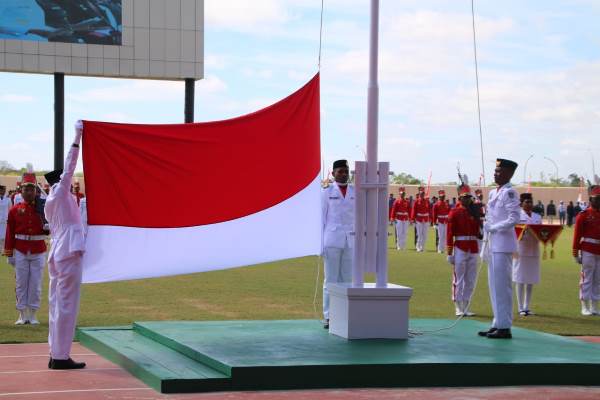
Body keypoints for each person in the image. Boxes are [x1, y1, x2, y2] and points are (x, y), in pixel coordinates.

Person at [479, 158, 520, 339]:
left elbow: (514, 218)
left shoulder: (510, 193)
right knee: (494, 286)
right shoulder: (493, 193)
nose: (495, 174)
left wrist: (494, 228)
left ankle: (505, 326)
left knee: (503, 287)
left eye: (499, 171)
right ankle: (497, 322)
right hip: (492, 245)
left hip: (503, 245)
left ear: (509, 174)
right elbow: (489, 217)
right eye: (495, 171)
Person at [3, 172, 48, 325]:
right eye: (26, 189)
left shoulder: (43, 209)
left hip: (38, 249)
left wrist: (48, 225)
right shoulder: (14, 210)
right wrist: (9, 252)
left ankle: (33, 314)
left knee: (35, 284)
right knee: (21, 283)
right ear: (21, 191)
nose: (29, 192)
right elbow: (9, 232)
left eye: (32, 189)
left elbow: (53, 227)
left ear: (36, 190)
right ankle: (22, 315)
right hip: (20, 249)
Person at [321, 159, 354, 329]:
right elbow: (320, 219)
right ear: (333, 173)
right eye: (340, 171)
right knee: (331, 280)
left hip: (350, 241)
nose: (343, 174)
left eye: (346, 171)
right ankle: (328, 315)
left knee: (347, 279)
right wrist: (319, 244)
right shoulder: (326, 192)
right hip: (332, 240)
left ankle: (344, 313)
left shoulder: (354, 191)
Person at [446, 183, 482, 317]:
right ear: (459, 198)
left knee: (471, 278)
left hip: (472, 246)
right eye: (465, 197)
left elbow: (478, 231)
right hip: (460, 246)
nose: (467, 199)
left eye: (469, 197)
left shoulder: (474, 211)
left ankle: (466, 305)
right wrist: (449, 252)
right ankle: (457, 306)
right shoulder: (454, 212)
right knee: (458, 278)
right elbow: (450, 233)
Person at [512, 193, 542, 316]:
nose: (529, 204)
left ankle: (527, 307)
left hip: (534, 250)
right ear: (521, 203)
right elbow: (513, 232)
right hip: (521, 250)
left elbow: (541, 232)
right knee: (520, 279)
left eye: (530, 201)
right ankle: (520, 307)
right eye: (526, 202)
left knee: (530, 280)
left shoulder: (537, 216)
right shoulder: (517, 216)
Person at [572, 185, 600, 316]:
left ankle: (594, 306)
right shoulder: (583, 215)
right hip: (588, 248)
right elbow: (577, 235)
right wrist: (575, 253)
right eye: (597, 199)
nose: (599, 201)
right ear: (590, 199)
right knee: (587, 278)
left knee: (598, 279)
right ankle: (584, 305)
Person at [411, 187, 430, 252]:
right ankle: (418, 246)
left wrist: (431, 218)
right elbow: (414, 210)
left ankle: (422, 247)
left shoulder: (427, 201)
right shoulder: (416, 201)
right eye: (421, 194)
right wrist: (413, 219)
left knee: (425, 234)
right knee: (419, 234)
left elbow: (429, 210)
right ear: (419, 194)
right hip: (419, 219)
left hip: (426, 219)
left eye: (423, 194)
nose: (422, 195)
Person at [432, 190, 450, 254]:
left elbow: (449, 213)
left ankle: (445, 249)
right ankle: (440, 249)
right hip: (440, 221)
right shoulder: (436, 204)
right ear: (439, 196)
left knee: (445, 236)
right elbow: (434, 214)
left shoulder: (446, 204)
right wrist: (434, 223)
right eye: (441, 196)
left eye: (443, 196)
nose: (442, 197)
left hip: (446, 221)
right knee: (440, 236)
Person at [0, 185, 12, 249]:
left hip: (5, 219)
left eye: (4, 190)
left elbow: (10, 210)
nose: (4, 191)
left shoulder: (8, 199)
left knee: (4, 235)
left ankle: (4, 248)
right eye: (2, 190)